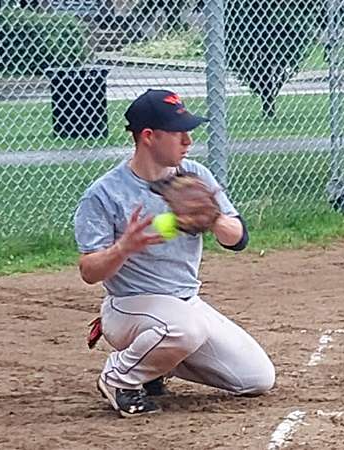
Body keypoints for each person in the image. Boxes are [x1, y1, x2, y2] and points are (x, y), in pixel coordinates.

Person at [73, 89, 275, 418]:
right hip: (129, 306)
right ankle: (120, 377)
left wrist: (214, 218)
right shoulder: (104, 194)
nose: (188, 141)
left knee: (256, 378)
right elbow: (89, 271)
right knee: (185, 328)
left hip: (185, 302)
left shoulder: (194, 177)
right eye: (178, 133)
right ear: (149, 136)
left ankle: (151, 365)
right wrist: (123, 248)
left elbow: (238, 239)